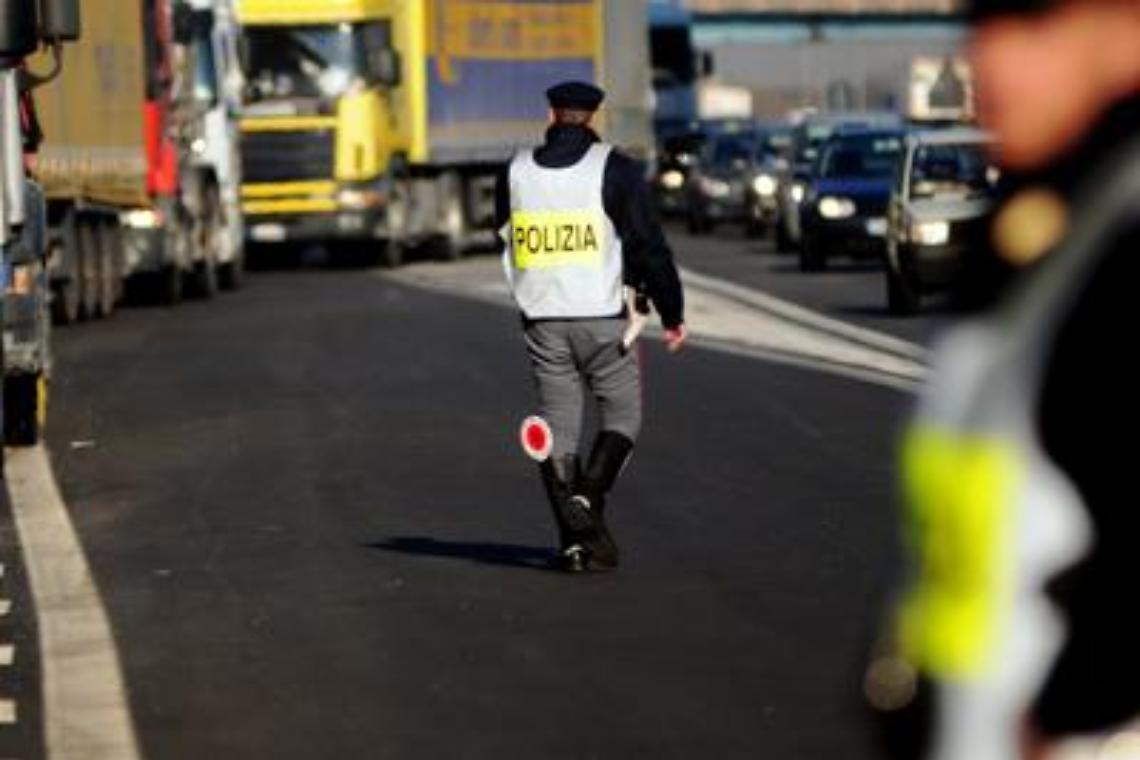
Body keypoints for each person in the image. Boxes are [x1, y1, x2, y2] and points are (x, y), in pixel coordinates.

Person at [866, 1, 1140, 758]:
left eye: (1031, 26)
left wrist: (1082, 699)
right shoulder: (1051, 222)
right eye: (980, 30)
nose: (987, 64)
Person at [497, 81, 686, 573]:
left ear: (553, 113)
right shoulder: (614, 168)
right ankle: (586, 496)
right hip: (603, 320)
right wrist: (672, 312)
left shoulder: (515, 170)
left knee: (561, 431)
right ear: (594, 114)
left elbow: (502, 233)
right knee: (623, 418)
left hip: (541, 318)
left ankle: (576, 545)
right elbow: (648, 243)